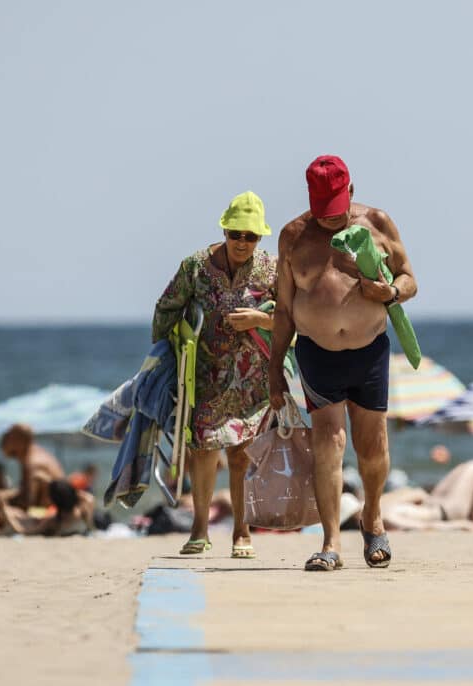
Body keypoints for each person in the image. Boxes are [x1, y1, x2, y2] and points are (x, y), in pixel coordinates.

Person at [269, 155, 418, 571]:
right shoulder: (293, 236)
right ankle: (330, 543)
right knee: (328, 442)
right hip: (316, 353)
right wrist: (274, 370)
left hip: (369, 351)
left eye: (335, 210)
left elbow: (409, 279)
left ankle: (373, 517)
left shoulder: (378, 223)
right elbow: (284, 310)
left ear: (350, 191)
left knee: (372, 447)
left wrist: (390, 293)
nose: (329, 219)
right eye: (322, 211)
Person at [151, 191, 277, 559]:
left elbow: (293, 316)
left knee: (242, 455)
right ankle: (200, 528)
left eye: (250, 236)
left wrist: (260, 319)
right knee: (202, 449)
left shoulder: (271, 269)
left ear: (260, 237)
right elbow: (167, 308)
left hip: (253, 378)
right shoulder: (195, 266)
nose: (242, 242)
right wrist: (164, 359)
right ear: (224, 230)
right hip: (205, 375)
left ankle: (242, 531)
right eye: (236, 234)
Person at [380, 460, 473, 532]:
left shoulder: (379, 506)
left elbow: (418, 494)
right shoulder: (383, 516)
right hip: (446, 513)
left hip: (434, 503)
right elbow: (422, 526)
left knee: (463, 467)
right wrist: (456, 525)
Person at [0, 423, 65, 510]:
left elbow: (28, 502)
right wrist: (1, 495)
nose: (4, 439)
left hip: (50, 512)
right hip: (49, 509)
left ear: (20, 441)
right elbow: (24, 490)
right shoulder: (32, 453)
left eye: (9, 437)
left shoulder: (34, 463)